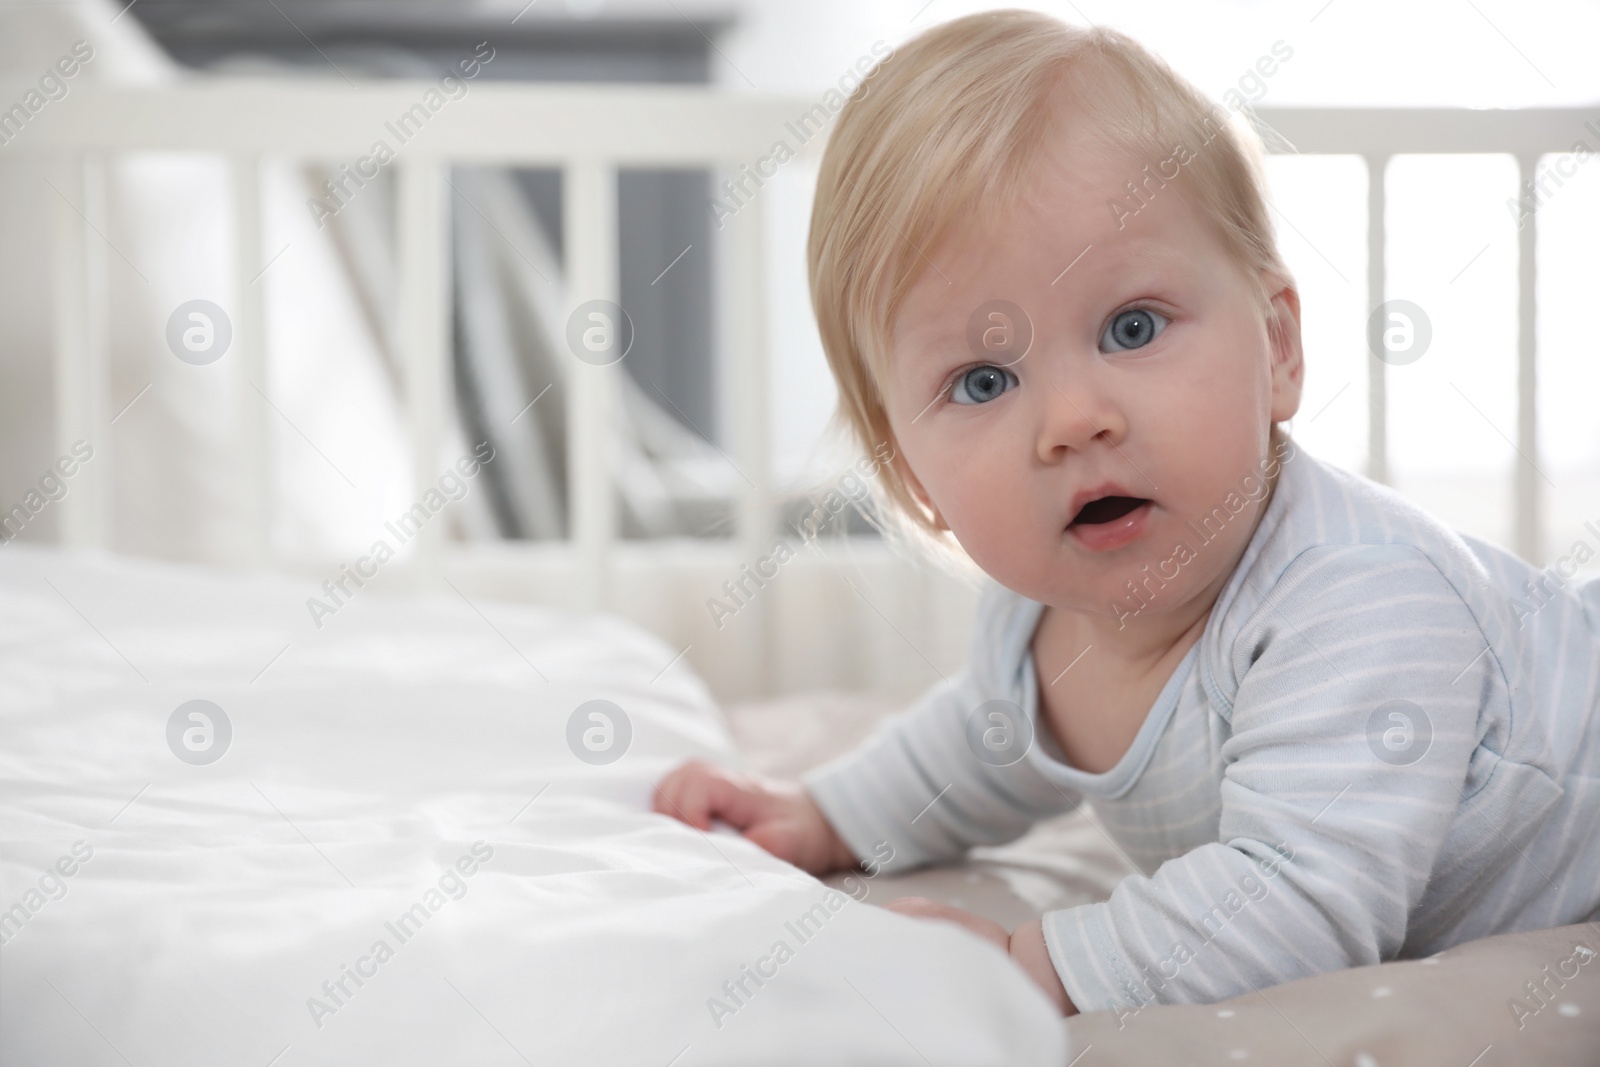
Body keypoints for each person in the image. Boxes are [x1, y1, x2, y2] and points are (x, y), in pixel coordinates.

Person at [653, 8, 1600, 1018]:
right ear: (910, 473)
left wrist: (1032, 960)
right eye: (981, 381)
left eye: (1132, 326)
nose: (1072, 420)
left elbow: (1294, 897)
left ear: (1278, 349)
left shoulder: (1355, 599)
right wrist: (821, 816)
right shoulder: (1034, 621)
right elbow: (973, 744)